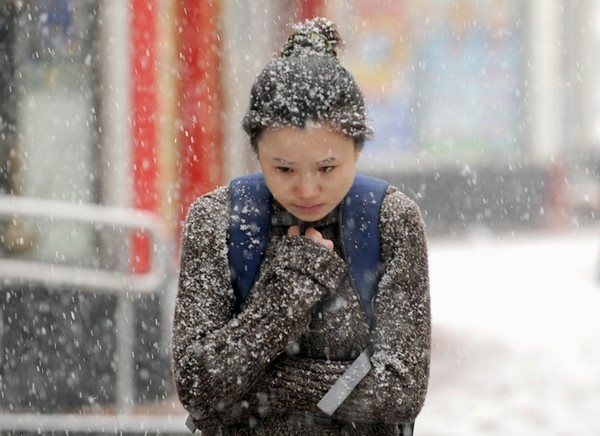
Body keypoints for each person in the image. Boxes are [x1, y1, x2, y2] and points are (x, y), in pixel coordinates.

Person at [172, 17, 431, 435]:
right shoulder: (218, 221)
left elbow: (399, 390)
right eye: (284, 168)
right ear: (257, 151)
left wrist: (258, 391)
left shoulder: (390, 222)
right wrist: (292, 290)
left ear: (358, 148)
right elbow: (196, 382)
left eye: (327, 167)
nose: (307, 188)